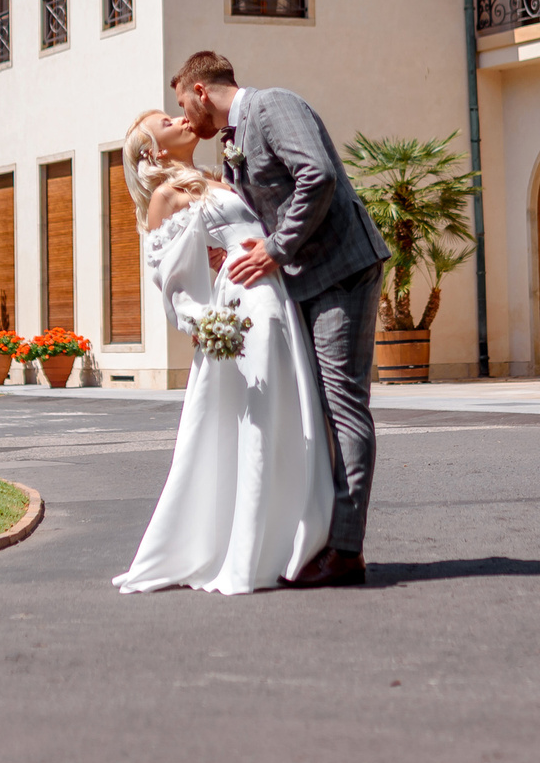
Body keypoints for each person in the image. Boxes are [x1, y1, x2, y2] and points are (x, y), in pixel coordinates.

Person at [168, 50, 389, 589]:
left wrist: (273, 249)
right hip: (303, 283)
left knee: (342, 405)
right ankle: (316, 537)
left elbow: (318, 176)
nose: (182, 117)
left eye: (181, 103)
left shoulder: (272, 106)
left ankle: (344, 550)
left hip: (341, 270)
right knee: (315, 408)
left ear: (201, 91)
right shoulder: (230, 144)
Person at [112, 108, 333, 594]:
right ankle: (251, 547)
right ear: (154, 151)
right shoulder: (166, 197)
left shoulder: (220, 179)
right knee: (256, 414)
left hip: (274, 291)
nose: (180, 119)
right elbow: (167, 278)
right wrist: (204, 322)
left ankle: (289, 539)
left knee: (287, 410)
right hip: (243, 303)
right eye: (167, 121)